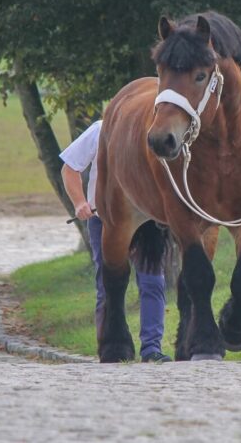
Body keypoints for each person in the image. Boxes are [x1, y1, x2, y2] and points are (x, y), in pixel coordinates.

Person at [60, 120, 171, 363]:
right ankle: (111, 347)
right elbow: (69, 168)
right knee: (107, 283)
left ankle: (152, 348)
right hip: (106, 219)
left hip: (146, 220)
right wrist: (80, 203)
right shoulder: (101, 129)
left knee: (152, 281)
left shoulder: (159, 132)